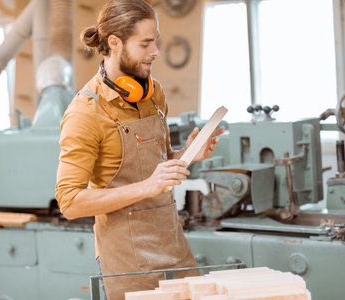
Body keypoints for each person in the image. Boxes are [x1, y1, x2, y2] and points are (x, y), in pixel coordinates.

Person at [55, 0, 225, 299]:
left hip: (173, 244)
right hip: (126, 260)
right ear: (114, 43)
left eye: (156, 41)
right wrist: (148, 186)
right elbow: (69, 203)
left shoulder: (154, 92)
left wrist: (184, 156)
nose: (155, 51)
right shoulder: (85, 113)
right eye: (145, 43)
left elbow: (155, 164)